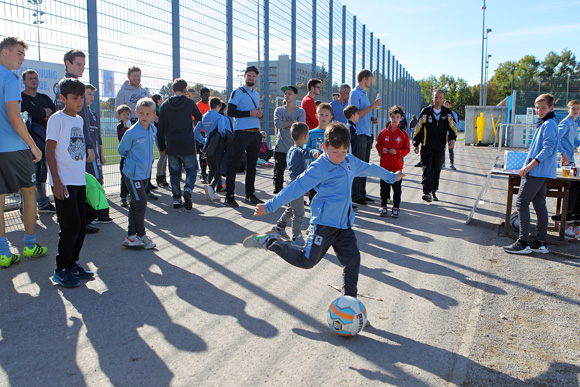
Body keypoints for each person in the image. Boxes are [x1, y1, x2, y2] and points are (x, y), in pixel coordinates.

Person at [242, 123, 404, 299]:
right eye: (335, 152)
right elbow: (295, 187)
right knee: (307, 261)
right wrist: (269, 206)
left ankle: (349, 305)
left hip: (344, 226)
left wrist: (391, 176)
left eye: (344, 151)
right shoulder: (319, 167)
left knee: (353, 262)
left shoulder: (349, 161)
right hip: (324, 223)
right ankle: (270, 242)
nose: (340, 156)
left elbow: (369, 168)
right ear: (325, 148)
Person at [0, 37, 46, 268]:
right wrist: (33, 145)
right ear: (5, 52)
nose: (22, 58)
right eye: (18, 53)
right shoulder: (9, 77)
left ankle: (3, 253)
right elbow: (13, 116)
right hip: (13, 149)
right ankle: (30, 245)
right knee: (29, 194)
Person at [46, 78, 93, 286]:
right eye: (75, 98)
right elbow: (49, 151)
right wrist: (56, 182)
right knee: (70, 226)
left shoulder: (79, 120)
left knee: (81, 225)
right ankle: (61, 268)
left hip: (78, 180)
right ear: (63, 98)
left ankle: (73, 263)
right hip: (63, 182)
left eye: (81, 97)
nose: (79, 101)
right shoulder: (56, 120)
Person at [504, 94, 558, 255]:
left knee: (521, 202)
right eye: (537, 108)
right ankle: (541, 242)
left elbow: (547, 149)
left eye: (543, 108)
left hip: (537, 171)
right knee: (539, 204)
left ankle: (523, 242)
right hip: (541, 172)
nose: (539, 111)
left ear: (551, 108)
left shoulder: (549, 124)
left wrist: (528, 166)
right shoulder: (545, 123)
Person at [270, 122, 321, 246]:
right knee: (299, 213)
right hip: (296, 184)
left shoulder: (291, 149)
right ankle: (296, 237)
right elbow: (307, 152)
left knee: (291, 209)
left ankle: (279, 228)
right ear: (305, 136)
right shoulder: (299, 150)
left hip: (292, 182)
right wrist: (315, 152)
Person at [118, 98, 158, 249]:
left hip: (144, 173)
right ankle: (141, 235)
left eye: (148, 114)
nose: (144, 116)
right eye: (141, 113)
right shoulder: (132, 132)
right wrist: (134, 162)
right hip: (133, 174)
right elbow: (122, 150)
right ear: (136, 113)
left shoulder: (153, 129)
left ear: (153, 115)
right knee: (141, 204)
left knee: (135, 205)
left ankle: (132, 236)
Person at [157, 78, 203, 210]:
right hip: (187, 143)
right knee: (191, 170)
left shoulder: (165, 105)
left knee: (174, 173)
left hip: (172, 144)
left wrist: (162, 146)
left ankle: (176, 199)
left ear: (172, 89)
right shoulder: (189, 103)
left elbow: (161, 128)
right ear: (185, 90)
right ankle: (188, 189)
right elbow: (199, 117)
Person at [224, 65, 264, 207]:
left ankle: (249, 195)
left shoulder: (256, 94)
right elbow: (230, 111)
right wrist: (249, 113)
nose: (251, 78)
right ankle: (229, 196)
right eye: (249, 75)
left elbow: (255, 112)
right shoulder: (238, 92)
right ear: (245, 76)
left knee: (252, 166)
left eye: (254, 76)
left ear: (256, 78)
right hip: (242, 133)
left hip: (255, 133)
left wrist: (259, 114)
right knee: (234, 165)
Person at [20, 68, 57, 212]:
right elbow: (31, 112)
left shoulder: (44, 97)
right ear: (24, 81)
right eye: (30, 78)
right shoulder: (21, 98)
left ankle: (43, 203)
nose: (34, 80)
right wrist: (43, 112)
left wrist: (42, 113)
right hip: (28, 142)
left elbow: (53, 112)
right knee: (29, 174)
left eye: (35, 78)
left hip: (44, 140)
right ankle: (25, 207)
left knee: (42, 171)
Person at [413, 89, 457, 202]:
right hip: (427, 146)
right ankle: (426, 192)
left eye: (440, 97)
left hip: (440, 147)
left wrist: (452, 139)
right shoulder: (426, 111)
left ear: (443, 99)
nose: (438, 100)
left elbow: (453, 127)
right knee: (427, 169)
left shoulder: (447, 112)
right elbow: (418, 127)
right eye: (436, 97)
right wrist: (416, 143)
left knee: (437, 170)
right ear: (432, 98)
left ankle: (433, 191)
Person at [55, 49, 95, 164]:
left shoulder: (61, 84)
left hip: (67, 142)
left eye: (83, 65)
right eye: (78, 64)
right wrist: (89, 144)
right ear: (68, 63)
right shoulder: (72, 86)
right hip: (76, 142)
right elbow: (81, 118)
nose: (82, 68)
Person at [349, 69, 382, 206]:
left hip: (367, 133)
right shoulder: (355, 93)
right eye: (370, 79)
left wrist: (371, 117)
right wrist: (373, 106)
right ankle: (355, 195)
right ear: (364, 79)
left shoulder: (364, 93)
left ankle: (362, 193)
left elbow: (363, 114)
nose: (371, 81)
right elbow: (355, 114)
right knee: (358, 164)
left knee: (364, 165)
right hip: (359, 133)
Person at [193, 96, 231, 202]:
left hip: (207, 145)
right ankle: (211, 187)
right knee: (219, 169)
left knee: (211, 169)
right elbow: (222, 131)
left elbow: (196, 132)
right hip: (218, 146)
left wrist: (204, 140)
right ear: (218, 106)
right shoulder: (219, 117)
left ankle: (210, 191)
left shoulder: (204, 116)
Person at [375, 105, 410, 218]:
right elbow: (378, 145)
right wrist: (382, 149)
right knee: (384, 188)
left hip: (396, 167)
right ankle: (383, 206)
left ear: (401, 118)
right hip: (384, 167)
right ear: (389, 117)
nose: (395, 119)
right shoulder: (383, 132)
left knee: (397, 189)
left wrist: (397, 152)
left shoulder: (403, 134)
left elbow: (406, 150)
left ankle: (396, 207)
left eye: (397, 117)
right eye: (393, 116)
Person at [273, 85, 306, 193]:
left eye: (289, 93)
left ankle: (296, 195)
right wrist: (292, 122)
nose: (286, 95)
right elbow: (278, 124)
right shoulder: (279, 110)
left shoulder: (301, 111)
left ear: (295, 95)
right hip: (281, 147)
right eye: (285, 93)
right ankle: (278, 195)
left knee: (297, 174)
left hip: (295, 147)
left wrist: (285, 122)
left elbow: (300, 127)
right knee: (278, 174)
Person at [551, 99, 580, 223]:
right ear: (568, 110)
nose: (575, 111)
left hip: (571, 159)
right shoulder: (566, 122)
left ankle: (574, 213)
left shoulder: (574, 123)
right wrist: (563, 154)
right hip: (565, 160)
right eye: (573, 108)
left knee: (577, 184)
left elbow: (574, 140)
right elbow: (555, 139)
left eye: (578, 108)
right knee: (572, 185)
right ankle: (567, 214)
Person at [84, 84, 105, 184]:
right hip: (86, 155)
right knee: (91, 181)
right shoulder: (80, 114)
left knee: (99, 180)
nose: (92, 97)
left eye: (93, 94)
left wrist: (102, 154)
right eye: (89, 94)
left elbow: (98, 136)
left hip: (96, 154)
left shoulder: (94, 114)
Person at [116, 104, 134, 207]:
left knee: (132, 176)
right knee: (124, 177)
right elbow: (120, 138)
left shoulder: (133, 125)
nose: (126, 116)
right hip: (125, 155)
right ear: (119, 116)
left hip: (132, 155)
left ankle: (131, 195)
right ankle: (123, 197)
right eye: (124, 114)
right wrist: (125, 128)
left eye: (128, 114)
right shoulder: (120, 126)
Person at [152, 94, 169, 188]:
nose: (162, 101)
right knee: (162, 156)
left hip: (164, 135)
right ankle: (159, 176)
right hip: (159, 135)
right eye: (161, 99)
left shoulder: (161, 110)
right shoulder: (155, 111)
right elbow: (158, 122)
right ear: (158, 100)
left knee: (165, 156)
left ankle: (163, 176)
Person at [195, 87, 210, 184]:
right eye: (205, 96)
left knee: (209, 153)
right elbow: (195, 121)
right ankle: (203, 173)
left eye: (208, 95)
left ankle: (209, 172)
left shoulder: (210, 105)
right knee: (202, 154)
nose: (207, 97)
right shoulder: (197, 105)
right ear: (201, 96)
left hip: (209, 132)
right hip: (201, 132)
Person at [443, 100, 458, 170]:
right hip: (443, 133)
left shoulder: (453, 114)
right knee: (442, 148)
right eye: (445, 104)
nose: (446, 105)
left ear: (450, 105)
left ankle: (452, 163)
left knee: (450, 148)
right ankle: (442, 163)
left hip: (450, 134)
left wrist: (454, 137)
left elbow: (455, 125)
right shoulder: (442, 113)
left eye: (448, 104)